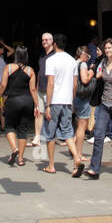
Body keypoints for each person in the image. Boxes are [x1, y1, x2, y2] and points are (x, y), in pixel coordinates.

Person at [41, 34, 84, 175]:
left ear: (54, 45)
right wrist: (71, 100)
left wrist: (47, 105)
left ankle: (51, 165)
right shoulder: (72, 61)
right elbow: (75, 84)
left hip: (54, 101)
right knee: (67, 132)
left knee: (50, 134)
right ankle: (77, 158)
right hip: (67, 101)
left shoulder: (51, 60)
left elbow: (51, 83)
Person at [87, 38, 112, 180]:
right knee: (98, 135)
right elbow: (98, 76)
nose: (107, 50)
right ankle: (94, 169)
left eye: (109, 48)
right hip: (104, 103)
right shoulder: (103, 62)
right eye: (106, 48)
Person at [0, 45, 38, 166]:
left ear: (16, 55)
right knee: (23, 129)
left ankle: (14, 149)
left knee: (9, 126)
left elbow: (3, 86)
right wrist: (37, 105)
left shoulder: (9, 68)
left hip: (13, 101)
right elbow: (33, 89)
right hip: (27, 101)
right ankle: (21, 159)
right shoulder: (31, 71)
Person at [71, 45, 94, 167]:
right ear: (84, 55)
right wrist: (91, 72)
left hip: (76, 97)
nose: (88, 58)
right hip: (83, 98)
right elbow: (85, 80)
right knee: (82, 126)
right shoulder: (83, 64)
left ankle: (74, 147)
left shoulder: (74, 63)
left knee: (78, 124)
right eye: (88, 56)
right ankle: (78, 153)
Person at [33, 31, 54, 146]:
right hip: (40, 89)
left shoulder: (55, 55)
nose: (44, 41)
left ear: (52, 41)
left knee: (50, 113)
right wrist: (36, 88)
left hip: (50, 89)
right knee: (38, 112)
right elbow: (39, 72)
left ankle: (54, 136)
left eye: (47, 39)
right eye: (43, 40)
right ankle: (37, 137)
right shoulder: (41, 56)